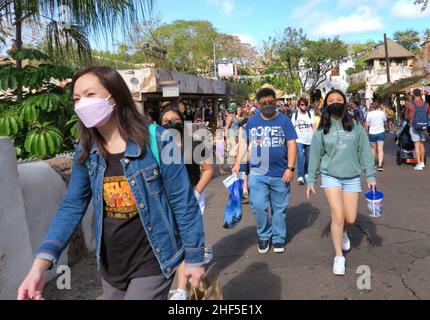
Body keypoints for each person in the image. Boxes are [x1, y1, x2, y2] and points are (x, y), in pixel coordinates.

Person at [17, 66, 205, 300]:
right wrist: (39, 267)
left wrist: (195, 258)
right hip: (110, 265)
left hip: (154, 260)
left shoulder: (158, 140)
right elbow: (72, 206)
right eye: (76, 98)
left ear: (114, 97)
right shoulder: (85, 151)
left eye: (90, 94)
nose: (82, 103)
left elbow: (183, 202)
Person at [306, 89, 376, 276]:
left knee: (350, 219)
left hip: (352, 176)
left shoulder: (355, 125)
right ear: (326, 105)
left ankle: (342, 231)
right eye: (331, 100)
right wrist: (311, 179)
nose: (335, 102)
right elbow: (314, 155)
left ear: (345, 103)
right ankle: (339, 256)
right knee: (338, 215)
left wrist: (371, 176)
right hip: (331, 176)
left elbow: (365, 152)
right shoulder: (322, 129)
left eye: (339, 99)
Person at [232, 88, 297, 254]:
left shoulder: (285, 121)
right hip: (257, 172)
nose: (268, 105)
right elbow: (244, 143)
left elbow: (291, 144)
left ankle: (278, 238)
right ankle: (264, 235)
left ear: (276, 102)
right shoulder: (252, 122)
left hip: (280, 173)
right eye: (264, 103)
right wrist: (238, 162)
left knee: (279, 208)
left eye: (271, 102)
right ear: (258, 104)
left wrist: (290, 168)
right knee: (258, 206)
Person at [160, 108, 214, 300]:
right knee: (172, 242)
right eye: (165, 121)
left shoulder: (194, 143)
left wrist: (196, 192)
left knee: (185, 242)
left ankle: (182, 289)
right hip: (166, 201)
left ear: (183, 121)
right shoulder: (155, 147)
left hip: (191, 198)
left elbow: (208, 169)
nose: (170, 123)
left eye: (175, 119)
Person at [291, 97, 317, 185]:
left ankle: (306, 173)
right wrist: (293, 140)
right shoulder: (295, 115)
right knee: (300, 157)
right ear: (299, 105)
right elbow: (292, 128)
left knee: (308, 158)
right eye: (302, 104)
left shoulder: (310, 114)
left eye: (306, 104)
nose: (304, 106)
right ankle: (300, 176)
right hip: (299, 139)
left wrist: (316, 138)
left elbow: (314, 127)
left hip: (309, 139)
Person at [406, 88, 430, 171]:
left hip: (414, 126)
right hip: (423, 126)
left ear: (413, 95)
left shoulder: (410, 104)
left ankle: (419, 164)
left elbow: (406, 116)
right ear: (420, 94)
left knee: (416, 145)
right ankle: (422, 162)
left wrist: (409, 118)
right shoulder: (426, 104)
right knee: (422, 144)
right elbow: (428, 114)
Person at [365, 103, 387, 172]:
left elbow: (367, 124)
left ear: (372, 107)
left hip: (372, 132)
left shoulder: (369, 114)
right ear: (379, 106)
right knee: (380, 149)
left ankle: (373, 164)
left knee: (373, 149)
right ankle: (380, 165)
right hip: (381, 132)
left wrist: (366, 131)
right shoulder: (382, 113)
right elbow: (385, 122)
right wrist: (385, 127)